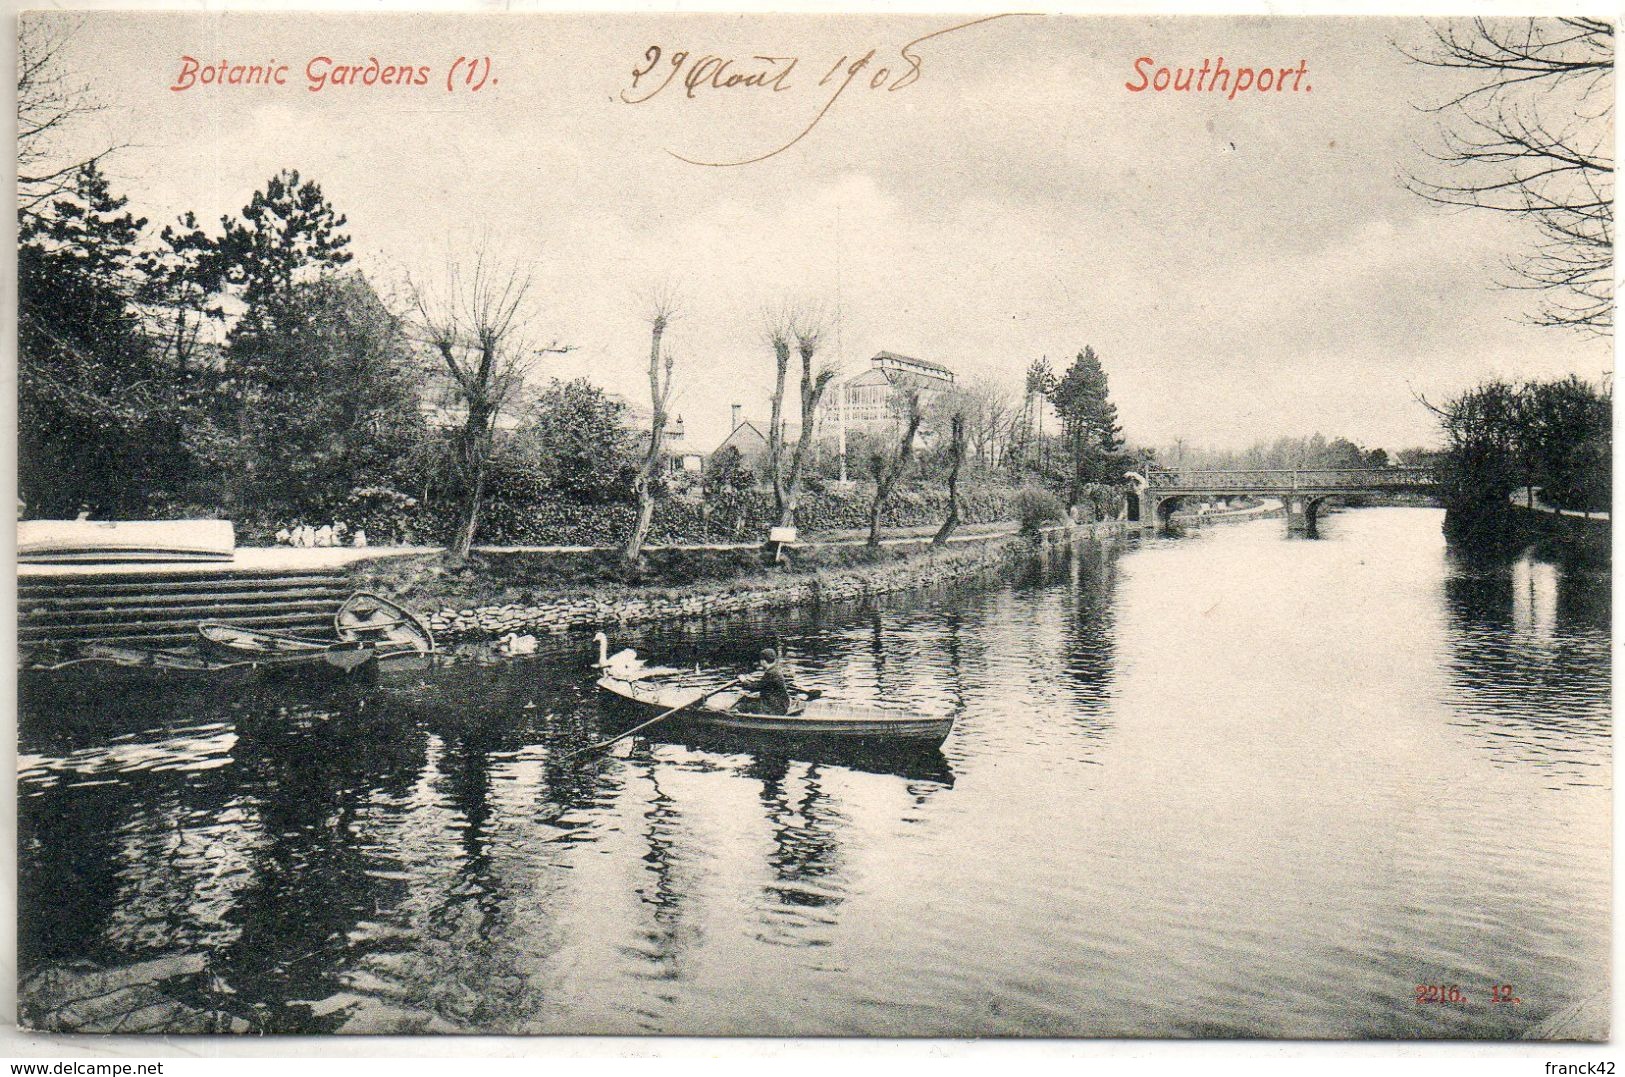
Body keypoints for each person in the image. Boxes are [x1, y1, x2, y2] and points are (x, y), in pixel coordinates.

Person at [737, 647, 794, 715]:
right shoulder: (775, 669)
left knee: (742, 706)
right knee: (748, 700)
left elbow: (756, 687)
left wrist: (743, 681)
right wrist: (751, 680)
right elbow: (764, 684)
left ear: (763, 661)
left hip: (775, 707)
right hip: (781, 703)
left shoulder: (771, 673)